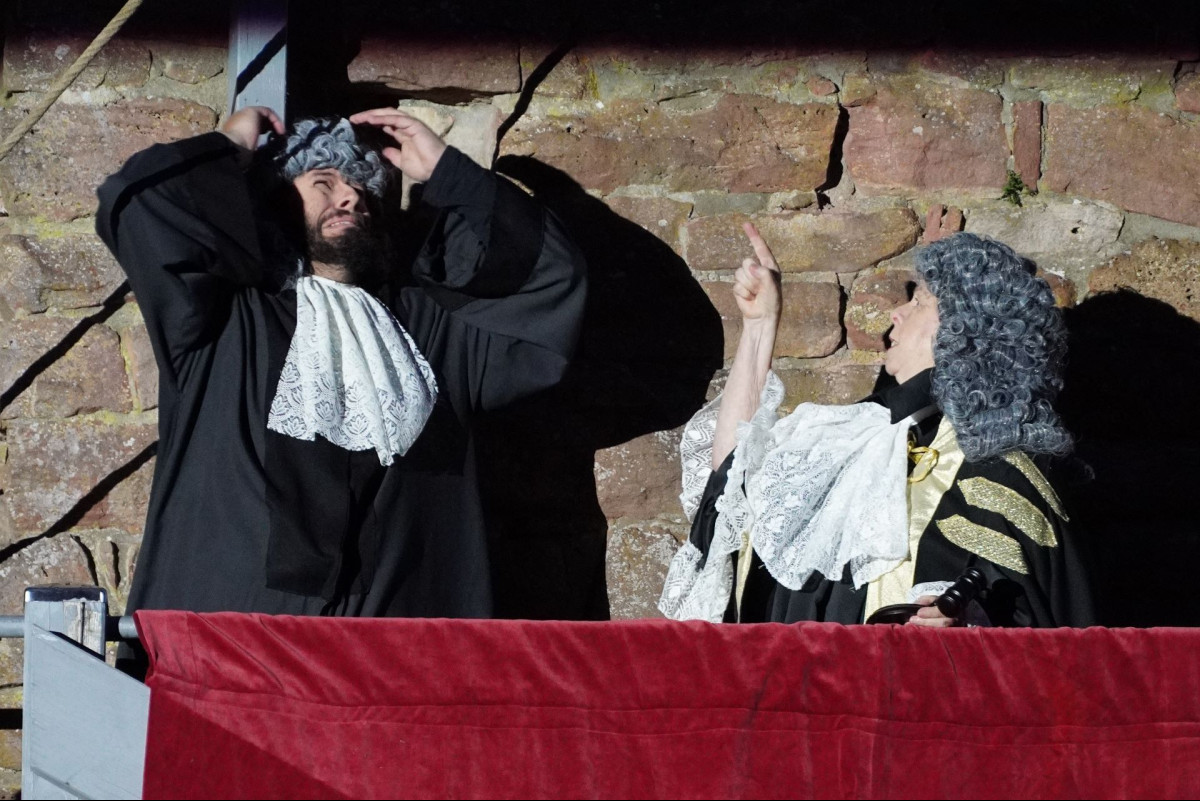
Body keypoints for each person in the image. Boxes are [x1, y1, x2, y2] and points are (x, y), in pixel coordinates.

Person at [96, 106, 586, 617]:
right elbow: (137, 202)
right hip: (235, 639)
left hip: (398, 642)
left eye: (361, 189)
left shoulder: (431, 329)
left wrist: (449, 173)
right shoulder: (225, 322)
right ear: (275, 200)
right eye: (324, 183)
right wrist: (233, 144)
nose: (350, 196)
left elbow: (548, 284)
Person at [659, 227, 1093, 627]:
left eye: (919, 301)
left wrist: (967, 622)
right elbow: (732, 484)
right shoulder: (857, 437)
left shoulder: (998, 478)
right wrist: (759, 326)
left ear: (967, 332)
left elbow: (1035, 642)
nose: (896, 313)